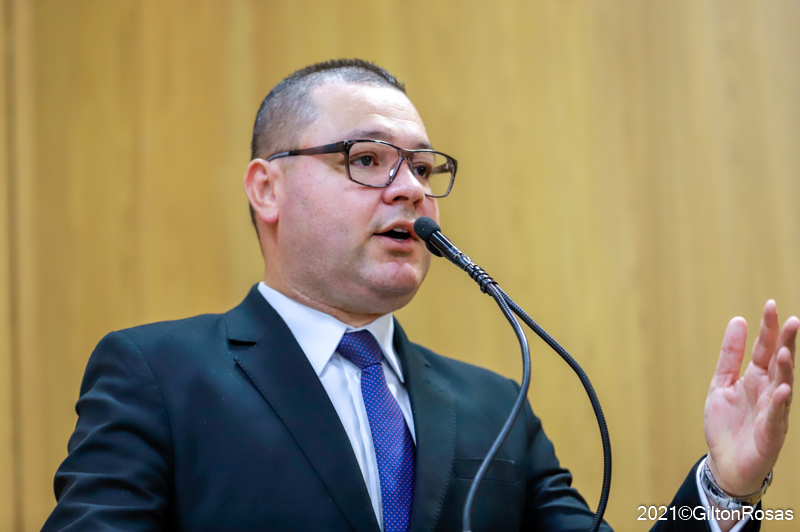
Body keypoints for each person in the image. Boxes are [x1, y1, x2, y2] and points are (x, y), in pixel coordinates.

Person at [43, 59, 796, 532]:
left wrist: (725, 489)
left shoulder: (495, 406)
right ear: (266, 188)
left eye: (424, 169)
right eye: (368, 159)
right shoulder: (159, 375)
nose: (410, 189)